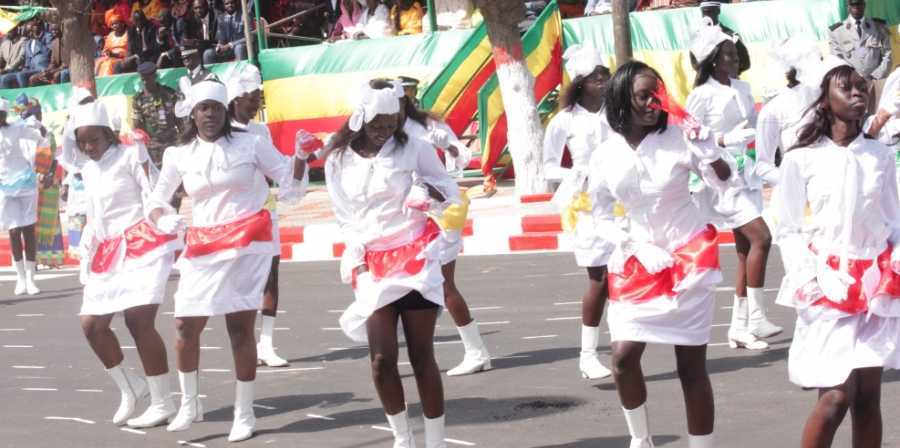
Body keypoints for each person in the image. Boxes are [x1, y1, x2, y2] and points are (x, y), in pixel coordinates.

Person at [148, 77, 308, 442]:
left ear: (225, 110)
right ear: (193, 113)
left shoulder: (252, 143)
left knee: (239, 329)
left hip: (245, 245)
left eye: (216, 108)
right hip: (203, 245)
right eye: (203, 108)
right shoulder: (178, 154)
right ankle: (189, 403)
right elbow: (156, 199)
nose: (210, 115)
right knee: (185, 325)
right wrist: (162, 218)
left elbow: (290, 189)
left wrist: (300, 158)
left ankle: (244, 412)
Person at [596, 60, 733, 448]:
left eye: (657, 94)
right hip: (636, 262)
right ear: (622, 98)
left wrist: (708, 150)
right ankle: (641, 440)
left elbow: (724, 182)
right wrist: (635, 246)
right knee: (623, 358)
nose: (653, 103)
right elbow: (599, 216)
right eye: (643, 96)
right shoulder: (605, 153)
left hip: (687, 259)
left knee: (690, 367)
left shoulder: (679, 137)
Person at [772, 57, 899, 448]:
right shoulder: (801, 158)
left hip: (874, 285)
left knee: (869, 399)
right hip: (827, 283)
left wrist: (895, 261)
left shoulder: (879, 156)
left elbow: (893, 221)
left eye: (861, 86)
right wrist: (813, 276)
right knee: (834, 399)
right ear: (825, 100)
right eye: (847, 87)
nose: (858, 93)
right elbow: (788, 227)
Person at [325, 79, 459, 447]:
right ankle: (403, 438)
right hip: (372, 264)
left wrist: (427, 191)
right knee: (381, 358)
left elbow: (450, 191)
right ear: (360, 119)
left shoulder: (414, 148)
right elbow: (343, 216)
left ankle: (435, 441)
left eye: (391, 123)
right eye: (377, 124)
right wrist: (357, 259)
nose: (384, 131)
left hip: (415, 257)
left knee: (421, 355)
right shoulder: (338, 160)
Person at [71, 101, 182, 429]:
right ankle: (131, 387)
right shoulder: (87, 170)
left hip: (141, 244)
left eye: (94, 140)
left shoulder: (131, 155)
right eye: (82, 142)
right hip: (108, 251)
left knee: (138, 320)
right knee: (91, 324)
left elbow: (154, 192)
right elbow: (96, 216)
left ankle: (162, 402)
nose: (88, 148)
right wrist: (87, 246)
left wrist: (163, 218)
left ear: (108, 134)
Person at [686, 21, 778, 350]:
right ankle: (757, 316)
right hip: (720, 177)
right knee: (762, 237)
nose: (735, 57)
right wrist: (723, 140)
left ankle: (739, 327)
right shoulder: (701, 95)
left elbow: (753, 125)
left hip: (746, 172)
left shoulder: (742, 87)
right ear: (713, 60)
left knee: (745, 252)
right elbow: (689, 136)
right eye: (727, 53)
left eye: (735, 52)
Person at [396, 76, 492, 377]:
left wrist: (449, 150)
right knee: (410, 284)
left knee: (442, 284)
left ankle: (476, 352)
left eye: (406, 96)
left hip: (440, 210)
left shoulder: (426, 126)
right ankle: (407, 352)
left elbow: (460, 153)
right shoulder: (384, 133)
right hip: (411, 216)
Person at [226, 64, 313, 368]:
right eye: (252, 97)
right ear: (236, 98)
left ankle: (266, 343)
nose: (257, 104)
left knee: (270, 276)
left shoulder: (260, 132)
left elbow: (283, 174)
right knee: (238, 283)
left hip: (263, 212)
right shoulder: (219, 133)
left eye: (258, 97)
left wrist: (301, 156)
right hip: (231, 219)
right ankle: (245, 343)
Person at [542, 45, 615, 380]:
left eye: (605, 73)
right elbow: (548, 168)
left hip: (622, 202)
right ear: (580, 81)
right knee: (599, 279)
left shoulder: (619, 111)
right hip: (587, 206)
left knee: (623, 275)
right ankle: (588, 355)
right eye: (595, 75)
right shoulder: (564, 120)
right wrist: (576, 174)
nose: (602, 79)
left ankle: (624, 346)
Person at [754, 36, 822, 187]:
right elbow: (763, 166)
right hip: (798, 194)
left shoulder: (828, 99)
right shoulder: (773, 110)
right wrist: (794, 182)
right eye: (817, 59)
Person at [1, 99, 44, 296]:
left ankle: (31, 278)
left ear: (5, 115)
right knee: (13, 230)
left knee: (28, 230)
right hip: (4, 187)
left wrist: (37, 125)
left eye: (1, 114)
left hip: (25, 182)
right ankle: (20, 278)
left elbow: (40, 137)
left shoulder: (17, 128)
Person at [20, 98, 65, 268]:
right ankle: (33, 260)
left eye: (40, 113)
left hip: (47, 181)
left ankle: (48, 259)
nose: (40, 116)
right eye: (37, 113)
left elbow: (53, 159)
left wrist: (49, 174)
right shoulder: (23, 135)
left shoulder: (47, 133)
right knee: (30, 222)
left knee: (48, 220)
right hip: (30, 182)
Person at [132, 62, 182, 170]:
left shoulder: (170, 94)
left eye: (148, 79)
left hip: (173, 144)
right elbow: (137, 127)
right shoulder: (138, 99)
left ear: (155, 76)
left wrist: (184, 142)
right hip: (154, 149)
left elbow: (180, 120)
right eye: (143, 79)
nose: (145, 82)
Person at [828, 0, 891, 82]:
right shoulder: (837, 31)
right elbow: (837, 60)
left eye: (859, 4)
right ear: (848, 7)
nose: (856, 8)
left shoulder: (879, 26)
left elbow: (888, 54)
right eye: (853, 5)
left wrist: (875, 76)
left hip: (877, 80)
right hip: (852, 83)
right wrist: (852, 79)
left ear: (864, 5)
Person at [691, 1, 750, 76]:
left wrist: (727, 73)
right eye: (704, 12)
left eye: (709, 12)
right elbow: (694, 63)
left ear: (718, 11)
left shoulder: (731, 36)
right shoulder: (697, 37)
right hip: (706, 80)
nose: (707, 16)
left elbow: (745, 63)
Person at [205, 0, 247, 64]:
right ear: (224, 5)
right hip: (228, 50)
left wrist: (230, 45)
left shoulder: (245, 14)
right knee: (208, 54)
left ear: (236, 3)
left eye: (232, 2)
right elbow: (222, 39)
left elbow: (250, 37)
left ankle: (241, 70)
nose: (230, 5)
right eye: (227, 4)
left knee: (239, 48)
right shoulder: (221, 18)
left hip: (243, 47)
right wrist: (219, 46)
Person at [15, 21, 52, 89]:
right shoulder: (28, 43)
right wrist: (25, 68)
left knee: (21, 75)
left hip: (42, 67)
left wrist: (37, 41)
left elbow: (48, 52)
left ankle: (26, 93)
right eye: (28, 31)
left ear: (37, 27)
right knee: (11, 76)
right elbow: (27, 60)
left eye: (32, 30)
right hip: (31, 69)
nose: (30, 33)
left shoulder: (47, 36)